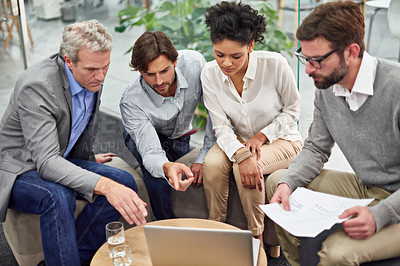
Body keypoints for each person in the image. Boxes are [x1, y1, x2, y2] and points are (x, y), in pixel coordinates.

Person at [0, 20, 148, 266]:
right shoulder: (37, 85)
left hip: (57, 156)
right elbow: (46, 163)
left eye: (105, 67)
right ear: (69, 61)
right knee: (57, 196)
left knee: (124, 180)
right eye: (92, 69)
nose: (100, 76)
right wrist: (104, 186)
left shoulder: (92, 76)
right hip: (20, 169)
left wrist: (86, 161)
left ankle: (72, 258)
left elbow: (76, 127)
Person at [268, 1, 400, 265]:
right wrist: (288, 183)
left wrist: (380, 215)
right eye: (304, 58)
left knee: (335, 251)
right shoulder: (327, 87)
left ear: (351, 52)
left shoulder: (395, 88)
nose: (307, 70)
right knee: (279, 182)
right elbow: (316, 148)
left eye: (316, 60)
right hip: (369, 187)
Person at [200, 1, 302, 255]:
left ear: (251, 46)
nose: (226, 63)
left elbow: (293, 111)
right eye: (219, 54)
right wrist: (242, 152)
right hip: (237, 140)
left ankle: (257, 243)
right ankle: (217, 233)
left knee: (247, 166)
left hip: (284, 141)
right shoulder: (209, 73)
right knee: (212, 165)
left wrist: (261, 136)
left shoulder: (275, 65)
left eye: (236, 56)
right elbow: (221, 127)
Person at [120, 31, 215, 220]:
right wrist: (164, 166)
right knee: (157, 180)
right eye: (150, 74)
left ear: (175, 61)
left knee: (184, 183)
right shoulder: (131, 101)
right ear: (140, 71)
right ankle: (167, 228)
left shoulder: (195, 64)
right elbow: (152, 153)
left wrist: (202, 158)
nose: (159, 81)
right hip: (146, 134)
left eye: (164, 71)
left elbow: (214, 112)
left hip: (180, 133)